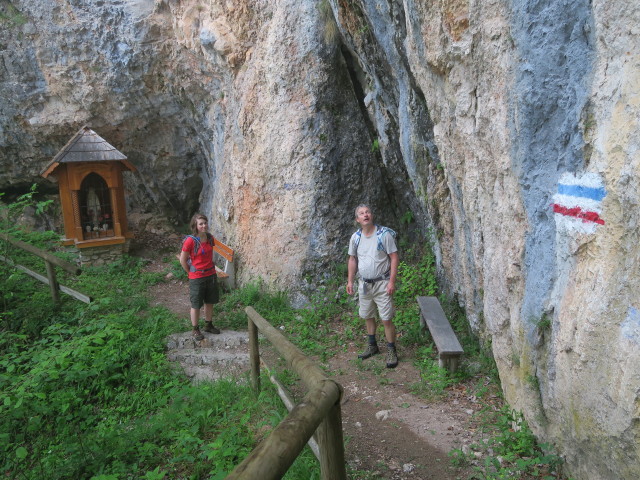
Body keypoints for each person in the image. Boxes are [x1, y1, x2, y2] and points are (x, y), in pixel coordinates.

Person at [346, 204, 399, 368]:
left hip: (382, 283)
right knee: (367, 315)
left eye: (368, 212)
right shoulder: (356, 237)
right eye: (361, 213)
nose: (365, 215)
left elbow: (394, 258)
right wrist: (350, 280)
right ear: (358, 219)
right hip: (364, 284)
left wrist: (391, 281)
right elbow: (352, 259)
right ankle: (372, 345)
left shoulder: (384, 235)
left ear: (372, 215)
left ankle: (391, 350)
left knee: (386, 318)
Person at [180, 213, 221, 341]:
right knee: (196, 303)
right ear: (195, 226)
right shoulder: (190, 241)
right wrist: (190, 272)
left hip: (210, 274)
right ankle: (195, 329)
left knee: (209, 301)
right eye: (201, 224)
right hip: (197, 276)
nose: (204, 226)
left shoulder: (209, 238)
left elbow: (210, 254)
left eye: (205, 223)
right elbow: (183, 260)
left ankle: (208, 325)